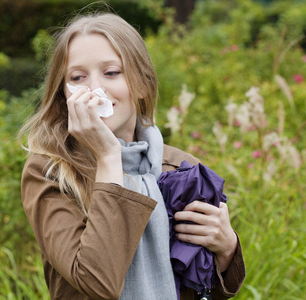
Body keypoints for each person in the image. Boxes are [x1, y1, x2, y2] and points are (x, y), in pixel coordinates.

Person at [19, 12, 245, 300]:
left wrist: (226, 249)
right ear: (64, 94)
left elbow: (205, 291)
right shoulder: (49, 170)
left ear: (141, 84)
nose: (94, 89)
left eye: (111, 72)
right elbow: (97, 282)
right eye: (78, 77)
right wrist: (108, 158)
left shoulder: (181, 168)